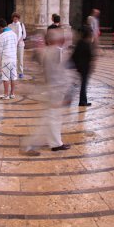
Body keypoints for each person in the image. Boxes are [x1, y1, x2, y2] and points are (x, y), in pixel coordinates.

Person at [20, 28, 71, 156]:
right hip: (56, 91)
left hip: (53, 90)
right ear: (58, 40)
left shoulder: (48, 52)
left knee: (54, 119)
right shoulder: (57, 52)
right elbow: (62, 73)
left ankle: (56, 143)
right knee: (49, 120)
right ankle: (28, 145)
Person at [71, 27, 94, 106]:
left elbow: (74, 56)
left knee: (78, 84)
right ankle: (82, 101)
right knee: (83, 85)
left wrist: (77, 65)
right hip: (85, 68)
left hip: (79, 67)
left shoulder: (79, 42)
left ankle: (82, 100)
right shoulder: (87, 44)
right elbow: (90, 56)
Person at [0, 18, 18, 100]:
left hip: (6, 58)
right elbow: (15, 45)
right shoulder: (14, 34)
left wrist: (0, 60)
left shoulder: (2, 35)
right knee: (13, 76)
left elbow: (0, 50)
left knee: (5, 77)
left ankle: (6, 95)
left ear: (1, 27)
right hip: (13, 58)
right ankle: (12, 94)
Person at [8, 12, 27, 79]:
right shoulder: (9, 26)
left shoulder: (21, 25)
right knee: (12, 59)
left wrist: (19, 41)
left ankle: (20, 72)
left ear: (18, 18)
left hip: (20, 44)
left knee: (20, 59)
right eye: (14, 18)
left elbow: (24, 35)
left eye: (17, 18)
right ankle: (13, 71)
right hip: (12, 45)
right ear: (12, 18)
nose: (15, 19)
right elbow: (8, 34)